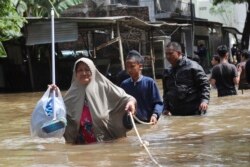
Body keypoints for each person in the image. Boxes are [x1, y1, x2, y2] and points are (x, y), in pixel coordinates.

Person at [52, 57, 137, 144]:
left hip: (106, 143)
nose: (84, 73)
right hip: (80, 148)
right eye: (80, 70)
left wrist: (131, 103)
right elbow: (60, 115)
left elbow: (127, 98)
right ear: (75, 73)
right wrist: (54, 96)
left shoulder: (104, 86)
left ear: (93, 71)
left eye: (87, 69)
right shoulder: (72, 93)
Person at [162, 42, 210, 116]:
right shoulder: (167, 72)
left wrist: (204, 101)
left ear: (179, 53)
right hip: (175, 114)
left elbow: (205, 85)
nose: (168, 56)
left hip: (194, 112)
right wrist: (165, 109)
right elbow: (166, 93)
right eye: (166, 54)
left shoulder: (193, 67)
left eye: (170, 53)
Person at [120, 50, 163, 124]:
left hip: (147, 122)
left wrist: (155, 115)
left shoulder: (150, 82)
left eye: (132, 66)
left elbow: (158, 103)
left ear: (140, 66)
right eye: (127, 67)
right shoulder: (124, 84)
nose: (129, 70)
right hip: (131, 123)